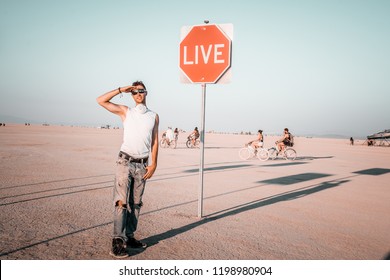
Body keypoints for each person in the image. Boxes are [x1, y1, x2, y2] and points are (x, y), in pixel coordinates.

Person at [96, 81, 159, 258]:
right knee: (121, 203)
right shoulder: (126, 111)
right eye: (134, 91)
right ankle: (117, 241)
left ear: (146, 92)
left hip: (142, 165)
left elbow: (154, 141)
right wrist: (121, 90)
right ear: (131, 94)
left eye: (141, 91)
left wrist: (154, 163)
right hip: (125, 162)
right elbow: (100, 100)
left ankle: (129, 237)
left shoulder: (153, 116)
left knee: (136, 204)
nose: (138, 94)